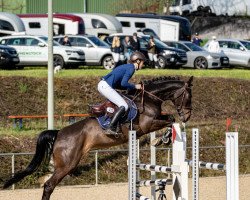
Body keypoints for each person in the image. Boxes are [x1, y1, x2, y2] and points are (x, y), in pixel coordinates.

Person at [97, 51, 146, 135]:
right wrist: (135, 86)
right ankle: (111, 127)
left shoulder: (128, 66)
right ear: (137, 61)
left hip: (103, 85)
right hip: (106, 86)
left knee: (119, 103)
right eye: (142, 62)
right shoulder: (131, 68)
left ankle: (111, 122)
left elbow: (120, 84)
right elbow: (123, 83)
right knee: (124, 106)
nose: (143, 65)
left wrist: (130, 88)